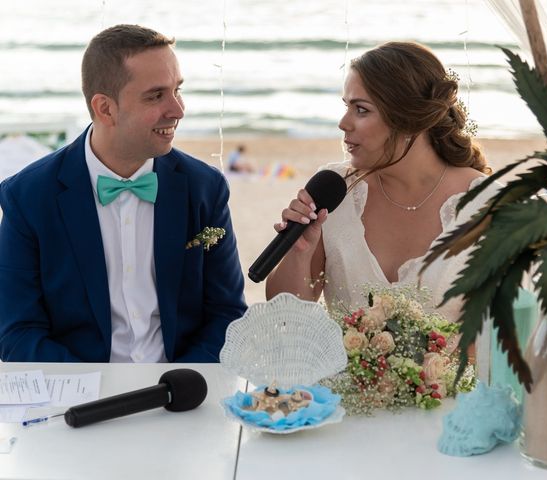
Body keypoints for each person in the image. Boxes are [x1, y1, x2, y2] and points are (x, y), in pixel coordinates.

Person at [0, 24, 247, 362]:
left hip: (181, 393)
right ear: (105, 109)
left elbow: (227, 314)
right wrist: (95, 394)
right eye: (156, 95)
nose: (177, 110)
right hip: (79, 399)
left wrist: (175, 387)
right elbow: (17, 332)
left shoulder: (206, 188)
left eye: (177, 90)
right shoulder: (28, 197)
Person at [265, 41, 501, 322]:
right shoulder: (335, 191)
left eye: (361, 110)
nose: (343, 123)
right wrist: (299, 251)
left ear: (408, 120)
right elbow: (284, 314)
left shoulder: (484, 205)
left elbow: (503, 335)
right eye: (346, 107)